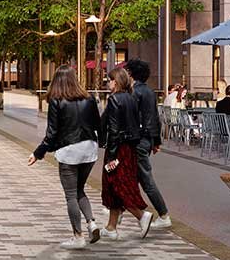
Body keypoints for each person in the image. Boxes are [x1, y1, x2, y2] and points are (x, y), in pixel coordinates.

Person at [28, 65, 103, 249]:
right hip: (89, 149)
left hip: (69, 151)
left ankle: (78, 236)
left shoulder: (56, 100)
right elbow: (98, 125)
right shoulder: (89, 98)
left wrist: (38, 153)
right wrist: (103, 143)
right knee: (79, 190)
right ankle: (91, 222)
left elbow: (52, 133)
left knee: (70, 195)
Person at [99, 68, 153, 239]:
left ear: (116, 81)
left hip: (118, 149)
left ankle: (141, 216)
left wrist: (111, 155)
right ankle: (111, 227)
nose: (108, 83)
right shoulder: (131, 98)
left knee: (117, 185)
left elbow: (114, 129)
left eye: (110, 80)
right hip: (129, 149)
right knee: (116, 186)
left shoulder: (114, 100)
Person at [119, 59, 171, 224]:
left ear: (131, 74)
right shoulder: (149, 91)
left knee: (144, 179)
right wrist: (156, 141)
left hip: (137, 141)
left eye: (126, 71)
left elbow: (130, 118)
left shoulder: (134, 92)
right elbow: (154, 118)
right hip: (146, 140)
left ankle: (163, 214)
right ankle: (118, 211)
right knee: (130, 177)